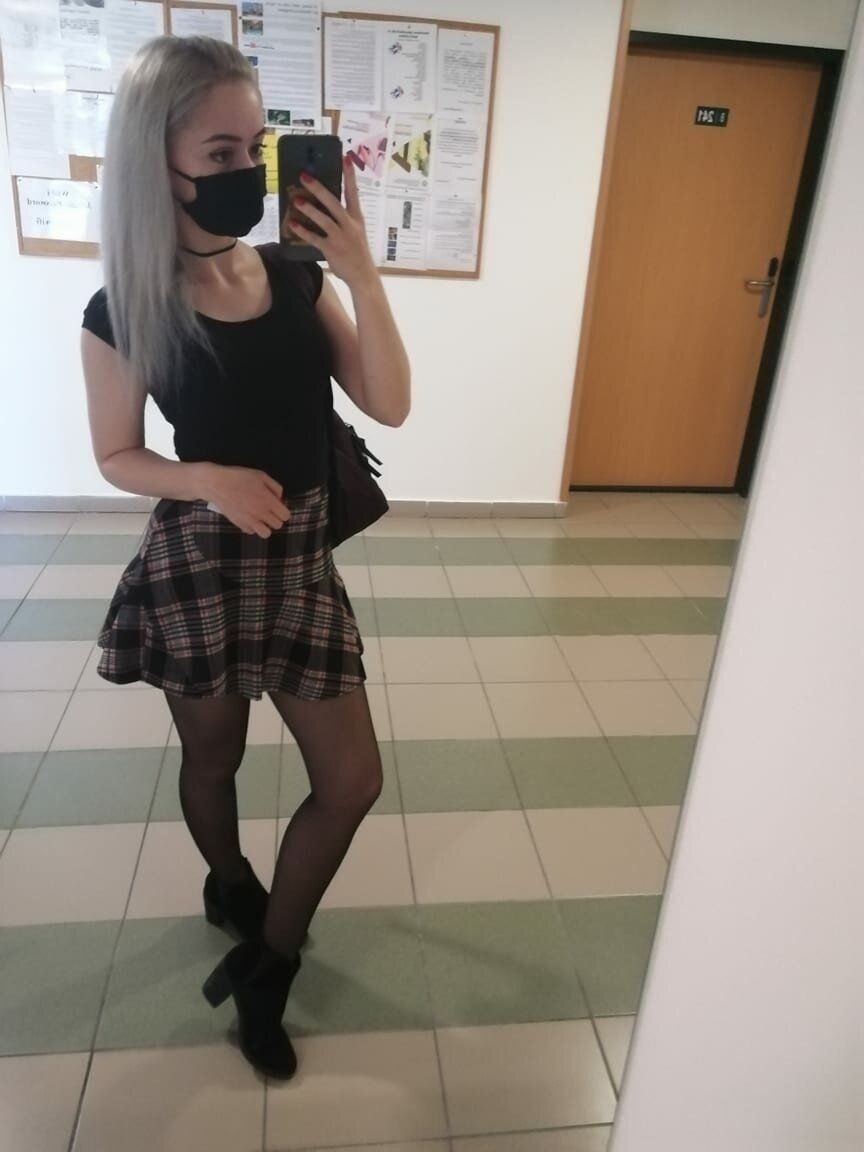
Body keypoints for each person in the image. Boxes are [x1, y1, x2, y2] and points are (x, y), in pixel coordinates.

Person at [79, 35, 410, 1079]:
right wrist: (206, 478)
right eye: (219, 154)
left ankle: (271, 963)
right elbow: (117, 455)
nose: (246, 173)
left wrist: (363, 277)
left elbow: (390, 403)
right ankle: (227, 879)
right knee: (213, 757)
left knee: (351, 781)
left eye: (254, 148)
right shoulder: (123, 308)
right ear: (157, 166)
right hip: (202, 563)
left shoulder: (296, 275)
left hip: (301, 560)